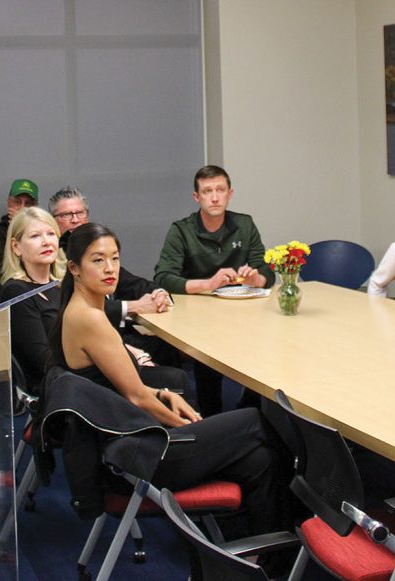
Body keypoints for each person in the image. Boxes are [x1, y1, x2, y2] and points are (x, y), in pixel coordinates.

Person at [50, 223, 281, 534]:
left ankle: (263, 552)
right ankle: (289, 537)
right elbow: (135, 398)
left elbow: (125, 388)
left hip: (128, 441)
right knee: (256, 420)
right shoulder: (89, 317)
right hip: (137, 455)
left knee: (259, 458)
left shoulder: (85, 309)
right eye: (98, 260)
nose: (110, 268)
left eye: (115, 258)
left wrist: (163, 394)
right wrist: (189, 426)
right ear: (74, 268)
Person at [154, 165, 273, 416]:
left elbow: (266, 269)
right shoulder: (182, 230)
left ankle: (251, 409)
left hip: (244, 311)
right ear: (197, 197)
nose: (215, 197)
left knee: (265, 354)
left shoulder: (244, 224)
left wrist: (256, 279)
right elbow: (163, 277)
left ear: (230, 193)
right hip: (200, 314)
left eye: (220, 190)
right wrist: (208, 284)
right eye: (207, 191)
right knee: (208, 364)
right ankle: (212, 417)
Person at [49, 186, 178, 367]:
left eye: (80, 213)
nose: (75, 220)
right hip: (90, 342)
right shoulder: (54, 258)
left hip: (118, 331)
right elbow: (72, 308)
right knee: (174, 378)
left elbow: (134, 283)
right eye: (66, 215)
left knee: (167, 346)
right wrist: (134, 306)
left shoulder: (101, 248)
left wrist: (159, 294)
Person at [0, 207, 67, 391]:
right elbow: (43, 359)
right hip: (55, 383)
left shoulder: (63, 284)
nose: (46, 242)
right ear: (16, 247)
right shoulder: (16, 291)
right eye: (35, 236)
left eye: (51, 233)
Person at [0, 178, 39, 305]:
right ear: (9, 204)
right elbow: (1, 270)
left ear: (36, 207)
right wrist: (17, 227)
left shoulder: (44, 232)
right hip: (8, 291)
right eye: (18, 202)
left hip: (39, 286)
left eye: (28, 204)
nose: (22, 208)